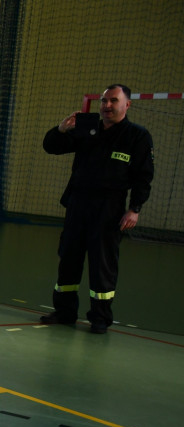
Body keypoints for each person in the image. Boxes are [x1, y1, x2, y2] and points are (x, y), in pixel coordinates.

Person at [40, 84, 154, 334]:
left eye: (113, 101)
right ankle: (64, 312)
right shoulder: (87, 128)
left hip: (109, 210)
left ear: (127, 105)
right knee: (68, 258)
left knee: (102, 265)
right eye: (104, 101)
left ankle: (100, 318)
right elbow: (52, 147)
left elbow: (143, 177)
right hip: (77, 205)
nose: (107, 106)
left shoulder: (137, 136)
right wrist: (60, 130)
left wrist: (134, 209)